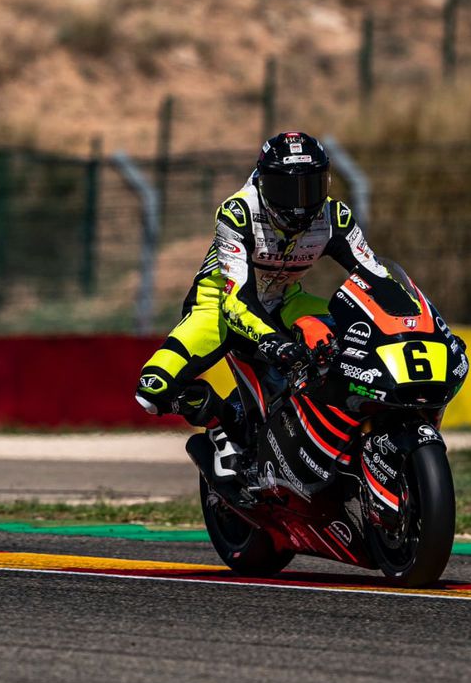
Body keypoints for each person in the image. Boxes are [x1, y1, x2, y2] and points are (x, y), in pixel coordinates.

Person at [134, 131, 388, 478]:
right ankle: (221, 424)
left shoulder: (336, 216)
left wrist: (416, 320)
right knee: (152, 390)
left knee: (353, 337)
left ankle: (335, 436)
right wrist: (275, 342)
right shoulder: (238, 212)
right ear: (264, 183)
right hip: (218, 306)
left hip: (288, 300)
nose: (299, 204)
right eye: (286, 189)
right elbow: (236, 299)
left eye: (310, 187)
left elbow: (376, 276)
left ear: (327, 181)